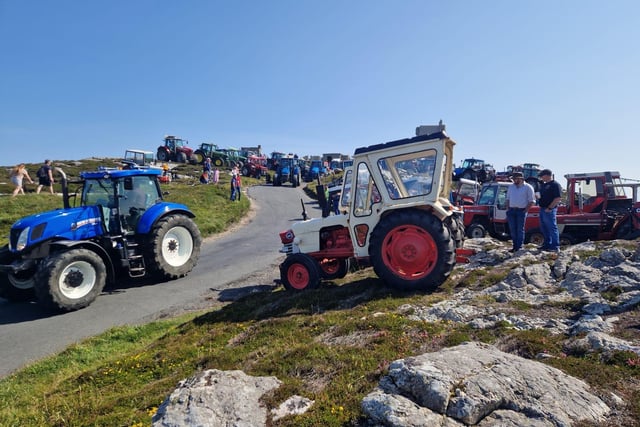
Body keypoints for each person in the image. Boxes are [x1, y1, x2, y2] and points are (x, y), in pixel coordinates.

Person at [505, 171, 535, 252]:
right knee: (512, 230)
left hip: (521, 210)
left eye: (516, 179)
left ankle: (519, 247)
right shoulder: (511, 187)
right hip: (511, 210)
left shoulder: (528, 187)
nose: (514, 180)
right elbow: (507, 198)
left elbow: (531, 201)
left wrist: (525, 211)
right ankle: (515, 246)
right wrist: (507, 209)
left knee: (520, 230)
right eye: (514, 179)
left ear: (520, 179)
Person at [537, 169, 563, 252]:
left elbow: (558, 198)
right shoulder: (544, 185)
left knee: (552, 227)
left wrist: (550, 208)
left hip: (549, 209)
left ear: (547, 175)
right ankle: (547, 244)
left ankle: (555, 246)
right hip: (542, 208)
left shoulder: (555, 185)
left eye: (542, 175)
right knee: (544, 228)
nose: (541, 177)